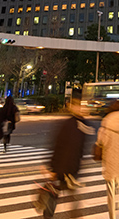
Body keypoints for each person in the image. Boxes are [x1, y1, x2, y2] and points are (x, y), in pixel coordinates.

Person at [36, 89, 94, 219]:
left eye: (80, 106)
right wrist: (52, 168)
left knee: (57, 195)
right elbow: (58, 147)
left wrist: (53, 168)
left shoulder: (81, 124)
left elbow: (74, 149)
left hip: (69, 169)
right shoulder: (73, 125)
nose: (80, 109)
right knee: (58, 195)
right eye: (77, 106)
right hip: (65, 168)